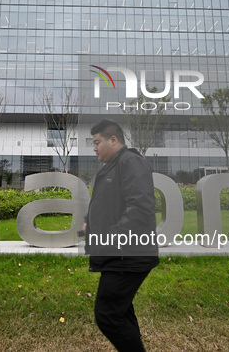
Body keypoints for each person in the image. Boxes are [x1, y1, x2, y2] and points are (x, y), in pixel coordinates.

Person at [82, 119, 159, 352]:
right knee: (120, 312)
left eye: (97, 142)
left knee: (108, 315)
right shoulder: (114, 165)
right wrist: (89, 222)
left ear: (113, 140)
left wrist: (108, 237)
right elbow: (110, 203)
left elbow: (140, 210)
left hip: (128, 254)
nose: (94, 148)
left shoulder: (130, 162)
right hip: (119, 253)